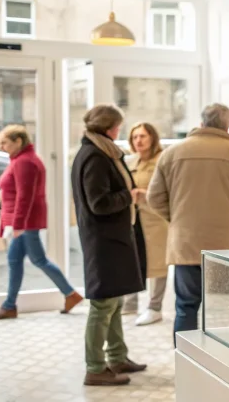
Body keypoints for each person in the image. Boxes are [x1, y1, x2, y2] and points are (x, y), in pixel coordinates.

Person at [148, 103, 229, 344]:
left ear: (201, 123)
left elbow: (154, 198)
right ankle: (221, 360)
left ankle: (185, 358)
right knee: (225, 307)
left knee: (186, 306)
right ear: (227, 125)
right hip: (228, 247)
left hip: (186, 242)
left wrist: (178, 218)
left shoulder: (172, 153)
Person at [71, 104, 148, 386]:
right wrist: (130, 196)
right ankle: (94, 367)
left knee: (113, 300)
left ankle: (117, 357)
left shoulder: (102, 150)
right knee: (103, 304)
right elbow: (99, 202)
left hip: (111, 238)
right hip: (103, 241)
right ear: (108, 127)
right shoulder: (94, 156)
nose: (120, 130)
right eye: (117, 125)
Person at [0, 125, 83, 321]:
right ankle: (11, 305)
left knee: (36, 260)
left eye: (5, 143)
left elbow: (25, 197)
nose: (1, 147)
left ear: (18, 141)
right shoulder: (21, 160)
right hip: (22, 222)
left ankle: (69, 294)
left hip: (24, 223)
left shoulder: (25, 162)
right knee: (17, 261)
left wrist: (18, 225)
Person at [121, 123, 169, 326]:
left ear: (153, 138)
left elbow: (167, 193)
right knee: (131, 260)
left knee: (158, 263)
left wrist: (144, 195)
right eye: (134, 137)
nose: (138, 141)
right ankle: (130, 303)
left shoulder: (162, 161)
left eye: (143, 136)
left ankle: (154, 307)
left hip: (156, 220)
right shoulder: (130, 161)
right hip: (133, 219)